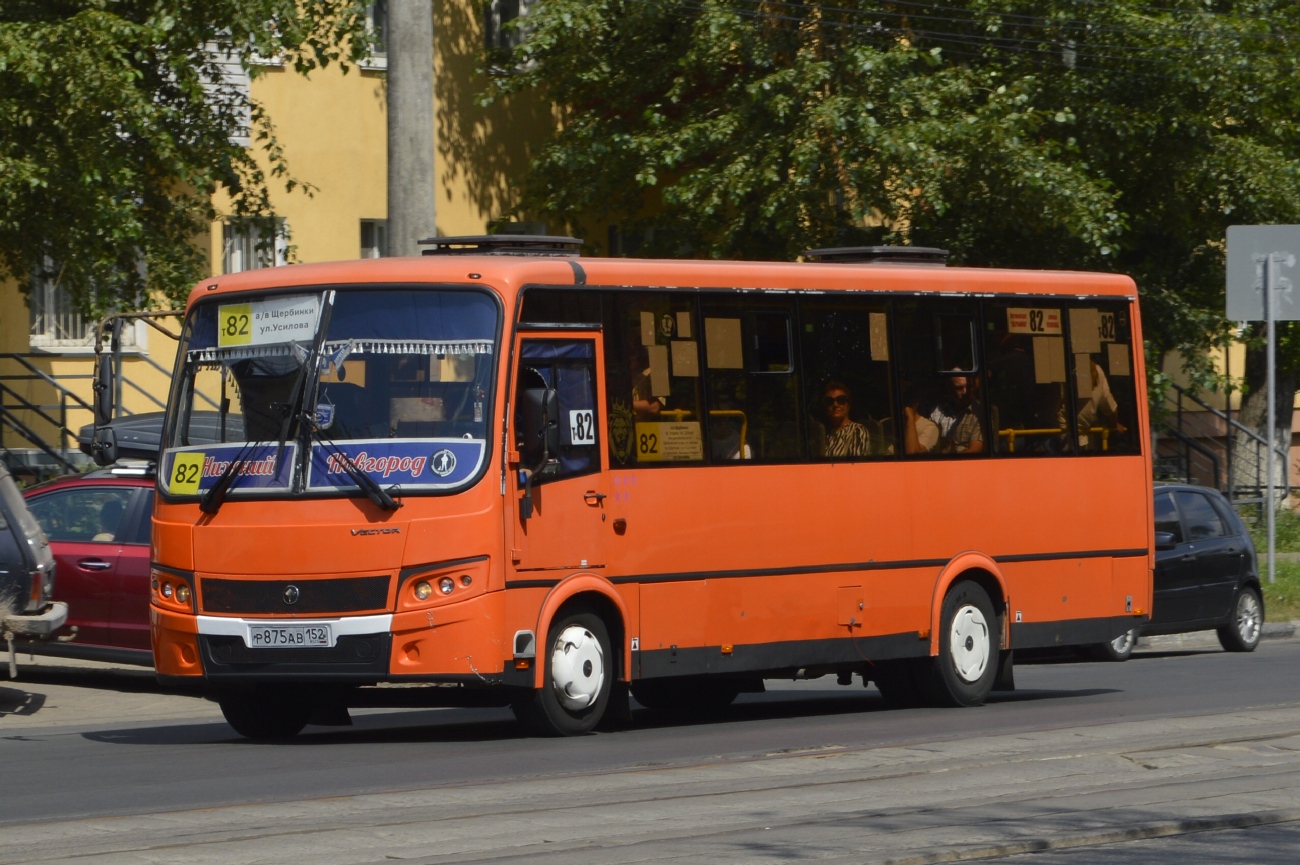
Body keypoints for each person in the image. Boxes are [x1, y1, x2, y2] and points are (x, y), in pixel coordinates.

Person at [905, 374, 984, 455]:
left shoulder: (980, 413)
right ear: (950, 388)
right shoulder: (937, 411)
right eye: (959, 388)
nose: (965, 392)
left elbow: (975, 451)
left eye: (969, 387)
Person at [821, 381, 870, 458]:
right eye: (829, 401)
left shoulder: (857, 431)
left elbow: (856, 465)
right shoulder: (823, 434)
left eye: (841, 400)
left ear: (848, 404)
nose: (835, 405)